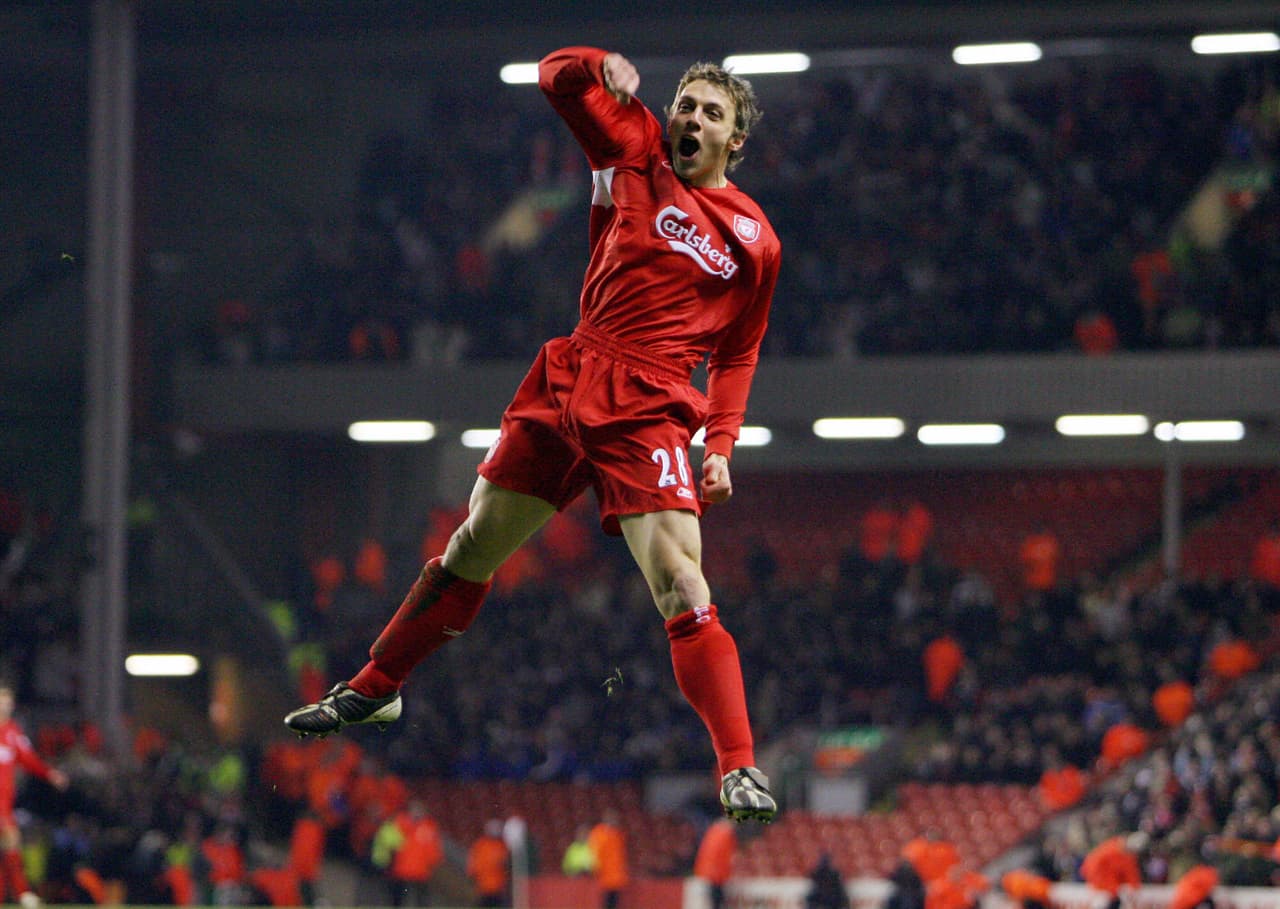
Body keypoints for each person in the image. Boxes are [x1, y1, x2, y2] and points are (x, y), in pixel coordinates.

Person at [284, 44, 781, 822]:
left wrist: (719, 445)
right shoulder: (636, 148)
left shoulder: (755, 240)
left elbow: (740, 350)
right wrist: (601, 65)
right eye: (685, 103)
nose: (689, 118)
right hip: (573, 372)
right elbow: (554, 78)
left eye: (709, 113)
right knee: (473, 546)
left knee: (683, 581)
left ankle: (739, 767)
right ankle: (376, 689)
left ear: (734, 141)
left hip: (652, 403)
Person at [0, 684, 69, 909]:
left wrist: (50, 773)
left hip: (5, 800)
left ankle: (15, 894)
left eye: (8, 701)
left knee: (9, 843)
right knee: (10, 838)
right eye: (1, 700)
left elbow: (28, 759)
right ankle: (22, 893)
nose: (5, 705)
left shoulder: (13, 732)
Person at [587, 810, 629, 909]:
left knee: (614, 901)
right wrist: (594, 866)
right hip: (603, 874)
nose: (613, 822)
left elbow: (621, 854)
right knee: (605, 901)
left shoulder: (617, 834)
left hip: (616, 875)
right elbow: (594, 851)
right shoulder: (599, 833)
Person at [693, 818, 737, 909]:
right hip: (715, 876)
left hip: (711, 875)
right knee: (716, 901)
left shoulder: (715, 831)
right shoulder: (724, 833)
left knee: (715, 901)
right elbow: (723, 857)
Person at [467, 819, 510, 908]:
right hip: (485, 886)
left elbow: (505, 864)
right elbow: (474, 864)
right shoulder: (481, 845)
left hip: (497, 886)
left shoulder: (501, 846)